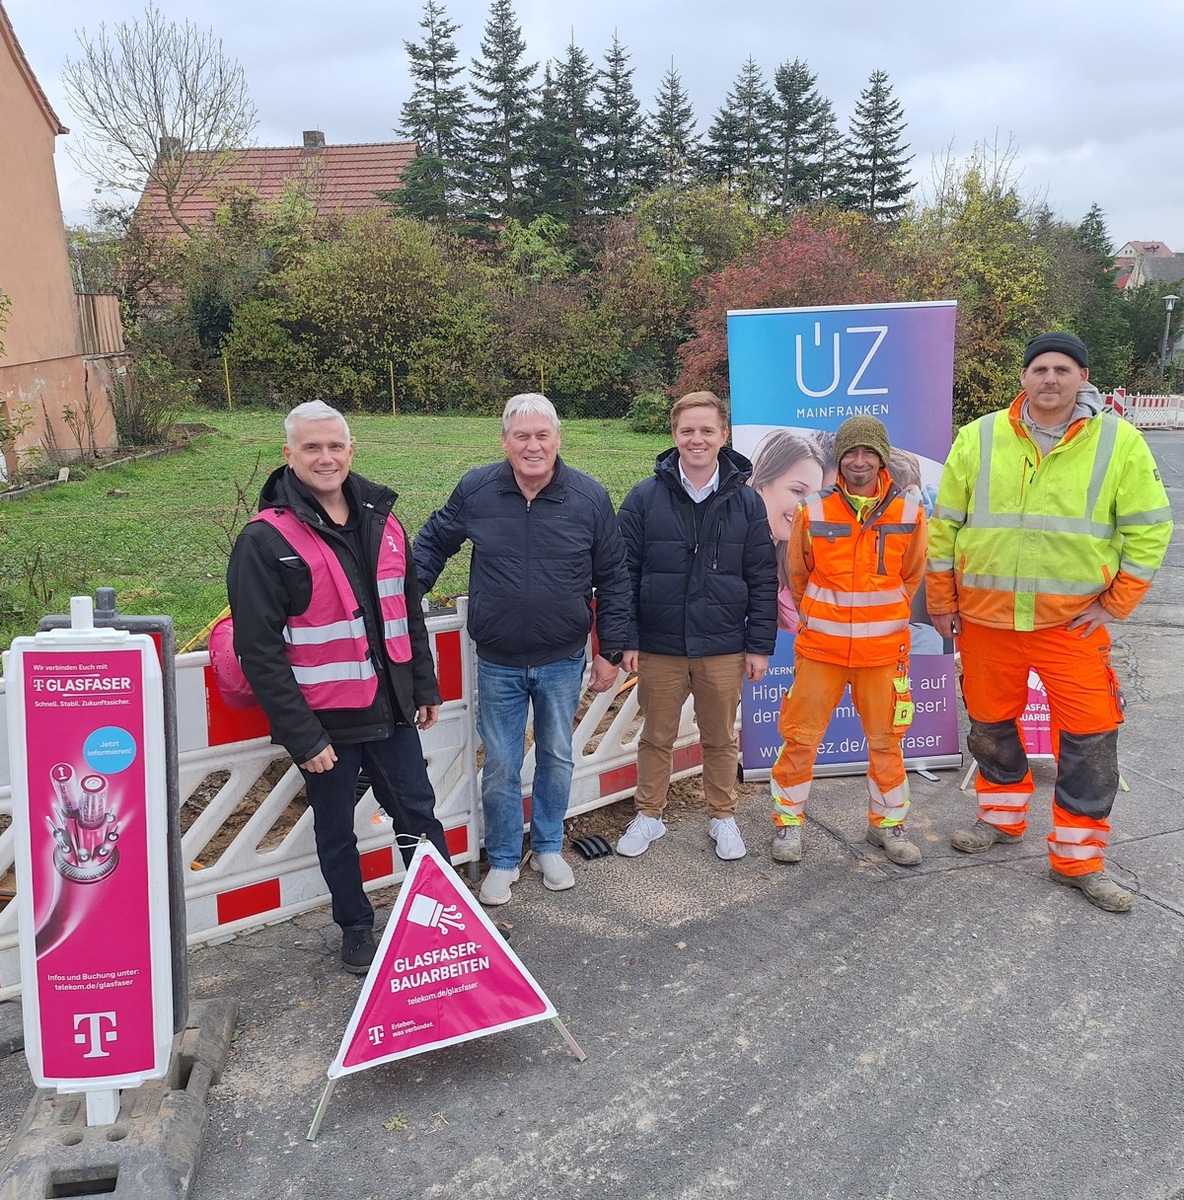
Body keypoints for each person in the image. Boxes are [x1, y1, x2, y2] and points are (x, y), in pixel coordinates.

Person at [928, 331, 1173, 913]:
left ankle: (1078, 860)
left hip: (1071, 627)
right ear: (1024, 377)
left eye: (1064, 369)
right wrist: (941, 601)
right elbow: (944, 528)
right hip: (987, 622)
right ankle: (1001, 820)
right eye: (1040, 368)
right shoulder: (980, 436)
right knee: (990, 725)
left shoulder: (1120, 442)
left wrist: (1114, 604)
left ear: (1083, 378)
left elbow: (1149, 527)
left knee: (1090, 741)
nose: (1051, 379)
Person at [226, 401, 449, 975]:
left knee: (419, 815)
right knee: (335, 833)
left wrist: (423, 686)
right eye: (311, 448)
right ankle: (355, 929)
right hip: (325, 722)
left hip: (392, 707)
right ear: (289, 456)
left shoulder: (383, 518)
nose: (325, 458)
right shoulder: (264, 540)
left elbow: (408, 613)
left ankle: (449, 917)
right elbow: (260, 650)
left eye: (335, 446)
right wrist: (303, 736)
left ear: (351, 450)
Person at [413, 394, 630, 907]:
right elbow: (432, 543)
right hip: (499, 659)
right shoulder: (478, 489)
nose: (533, 446)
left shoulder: (589, 498)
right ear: (504, 441)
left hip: (562, 657)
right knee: (504, 763)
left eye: (542, 435)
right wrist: (405, 593)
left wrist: (610, 650)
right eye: (521, 436)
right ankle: (506, 858)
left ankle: (550, 845)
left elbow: (614, 578)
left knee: (556, 755)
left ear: (558, 439)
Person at [615, 391, 778, 861]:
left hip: (723, 644)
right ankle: (649, 815)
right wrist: (627, 637)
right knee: (655, 736)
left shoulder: (747, 502)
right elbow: (623, 572)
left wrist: (759, 645)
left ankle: (722, 818)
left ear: (723, 436)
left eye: (707, 430)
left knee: (721, 737)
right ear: (674, 435)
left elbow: (762, 577)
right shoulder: (645, 498)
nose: (697, 439)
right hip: (661, 644)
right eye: (688, 430)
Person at [768, 415, 928, 866]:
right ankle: (788, 825)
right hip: (821, 651)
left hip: (883, 655)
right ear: (839, 458)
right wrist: (822, 617)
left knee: (886, 741)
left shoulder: (910, 514)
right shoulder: (813, 511)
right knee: (800, 738)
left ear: (881, 457)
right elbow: (797, 576)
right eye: (851, 452)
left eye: (868, 452)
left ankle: (888, 825)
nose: (859, 460)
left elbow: (912, 577)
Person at [748, 429, 827, 633]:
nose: (806, 507)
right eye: (797, 491)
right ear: (762, 485)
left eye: (815, 497)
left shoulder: (800, 565)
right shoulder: (724, 550)